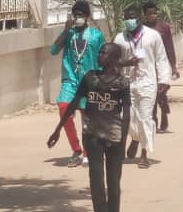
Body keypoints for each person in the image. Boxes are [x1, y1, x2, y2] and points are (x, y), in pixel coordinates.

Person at [48, 42, 130, 212]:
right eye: (100, 52)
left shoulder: (122, 83)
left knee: (114, 180)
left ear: (114, 59)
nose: (100, 55)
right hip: (92, 135)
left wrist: (123, 142)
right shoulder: (90, 78)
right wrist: (57, 130)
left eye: (104, 53)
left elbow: (127, 114)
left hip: (114, 136)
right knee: (96, 178)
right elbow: (73, 104)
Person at [113, 5, 171, 169]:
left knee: (145, 117)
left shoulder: (152, 36)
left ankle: (144, 153)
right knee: (127, 116)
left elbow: (161, 58)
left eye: (132, 16)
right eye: (126, 17)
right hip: (127, 82)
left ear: (140, 17)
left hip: (148, 81)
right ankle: (137, 138)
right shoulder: (120, 38)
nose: (129, 20)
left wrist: (164, 80)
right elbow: (113, 58)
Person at [50, 0, 105, 167]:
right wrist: (66, 30)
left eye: (81, 15)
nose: (78, 18)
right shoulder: (69, 34)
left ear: (87, 16)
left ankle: (88, 152)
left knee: (87, 118)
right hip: (70, 81)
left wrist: (101, 80)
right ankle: (76, 148)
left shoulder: (96, 35)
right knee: (63, 107)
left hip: (89, 80)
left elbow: (102, 58)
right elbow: (53, 50)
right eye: (76, 15)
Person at [143, 1, 178, 134]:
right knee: (152, 93)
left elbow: (170, 47)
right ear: (145, 15)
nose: (153, 15)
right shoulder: (142, 29)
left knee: (161, 93)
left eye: (154, 13)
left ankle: (164, 114)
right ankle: (154, 120)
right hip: (148, 66)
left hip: (162, 65)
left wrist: (173, 66)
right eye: (149, 14)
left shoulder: (164, 27)